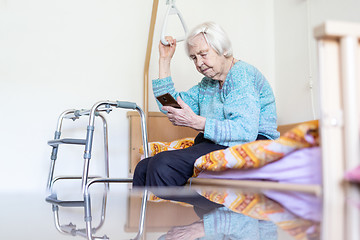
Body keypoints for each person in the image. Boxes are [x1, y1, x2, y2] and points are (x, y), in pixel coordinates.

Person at [133, 22, 279, 207]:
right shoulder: (207, 83)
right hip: (220, 142)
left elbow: (245, 131)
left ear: (224, 50)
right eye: (194, 58)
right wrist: (164, 60)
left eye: (203, 54)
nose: (199, 63)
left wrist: (198, 122)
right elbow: (171, 106)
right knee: (143, 167)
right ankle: (144, 223)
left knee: (163, 165)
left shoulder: (242, 75)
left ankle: (209, 214)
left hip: (251, 144)